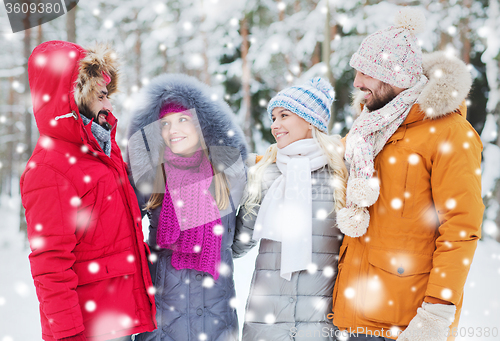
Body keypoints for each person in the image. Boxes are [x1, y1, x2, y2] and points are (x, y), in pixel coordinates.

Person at [330, 8, 484, 341]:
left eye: (366, 73)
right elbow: (321, 160)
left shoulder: (450, 133)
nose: (357, 82)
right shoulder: (367, 130)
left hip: (404, 325)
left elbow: (460, 228)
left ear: (396, 77)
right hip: (350, 314)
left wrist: (436, 314)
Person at [20, 40, 156, 341]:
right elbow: (50, 264)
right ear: (73, 97)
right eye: (101, 95)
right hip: (91, 327)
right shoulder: (49, 168)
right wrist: (67, 334)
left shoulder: (101, 151)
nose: (109, 105)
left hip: (119, 316)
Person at [126, 74, 248, 341]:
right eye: (165, 124)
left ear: (202, 124)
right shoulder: (153, 177)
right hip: (164, 320)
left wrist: (225, 249)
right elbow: (124, 230)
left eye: (183, 119)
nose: (173, 130)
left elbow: (246, 231)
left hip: (216, 318)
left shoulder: (227, 175)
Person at [233, 77, 349, 340]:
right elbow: (238, 243)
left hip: (320, 318)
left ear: (310, 121)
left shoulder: (341, 174)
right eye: (273, 117)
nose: (275, 125)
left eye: (284, 115)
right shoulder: (267, 173)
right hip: (267, 320)